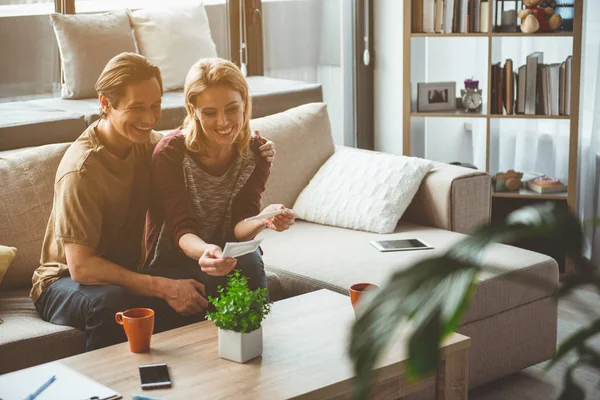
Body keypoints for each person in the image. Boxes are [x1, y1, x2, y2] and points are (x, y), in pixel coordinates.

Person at [30, 53, 276, 351]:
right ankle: (110, 391)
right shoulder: (81, 169)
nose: (148, 119)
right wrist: (164, 287)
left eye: (155, 106)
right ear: (106, 104)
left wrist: (253, 144)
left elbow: (192, 143)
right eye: (137, 108)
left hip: (132, 269)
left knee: (217, 281)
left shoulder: (148, 144)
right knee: (115, 305)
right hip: (64, 281)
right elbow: (82, 268)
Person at [145, 58, 295, 302]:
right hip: (178, 257)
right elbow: (181, 229)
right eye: (210, 113)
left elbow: (239, 225)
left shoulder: (256, 153)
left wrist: (263, 219)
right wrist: (206, 251)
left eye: (232, 109)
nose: (223, 122)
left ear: (245, 104)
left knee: (249, 262)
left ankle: (255, 339)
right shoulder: (171, 153)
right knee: (223, 276)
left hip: (229, 252)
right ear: (193, 111)